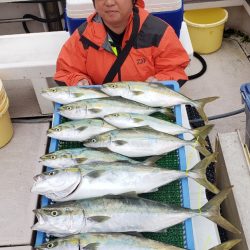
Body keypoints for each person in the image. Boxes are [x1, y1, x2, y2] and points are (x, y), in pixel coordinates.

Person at [54, 0, 189, 86]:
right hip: (103, 109)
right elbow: (66, 71)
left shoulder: (159, 32)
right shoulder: (82, 37)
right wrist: (78, 81)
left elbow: (175, 69)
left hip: (147, 105)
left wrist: (161, 81)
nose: (109, 2)